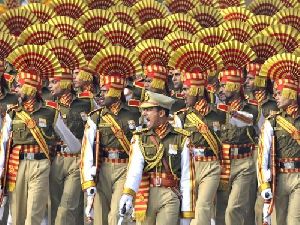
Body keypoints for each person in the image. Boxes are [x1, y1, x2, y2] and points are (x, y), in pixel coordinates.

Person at [0, 45, 81, 225]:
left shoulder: (50, 113)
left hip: (41, 165)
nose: (15, 90)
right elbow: (3, 146)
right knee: (17, 216)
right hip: (17, 165)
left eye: (19, 86)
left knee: (34, 217)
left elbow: (74, 145)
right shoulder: (13, 113)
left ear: (30, 89)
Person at [80, 46, 141, 225]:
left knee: (116, 216)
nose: (102, 94)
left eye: (106, 91)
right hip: (102, 168)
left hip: (124, 167)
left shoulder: (134, 114)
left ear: (115, 91)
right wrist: (88, 181)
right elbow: (87, 150)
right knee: (99, 217)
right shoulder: (96, 116)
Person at [119, 91, 194, 225]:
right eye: (144, 110)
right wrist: (128, 194)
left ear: (161, 113)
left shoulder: (181, 138)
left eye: (149, 110)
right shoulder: (140, 137)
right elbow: (135, 169)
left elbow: (187, 178)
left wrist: (186, 214)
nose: (144, 113)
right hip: (145, 194)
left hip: (170, 194)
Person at [170, 42, 225, 225]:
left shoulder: (219, 114)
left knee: (202, 206)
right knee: (187, 208)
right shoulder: (181, 116)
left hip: (211, 166)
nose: (183, 94)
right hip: (190, 165)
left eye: (187, 90)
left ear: (197, 90)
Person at [45, 39, 92, 225]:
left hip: (76, 160)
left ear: (65, 83)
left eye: (54, 82)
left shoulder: (86, 103)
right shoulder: (49, 106)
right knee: (56, 206)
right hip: (56, 159)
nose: (50, 86)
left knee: (67, 206)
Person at [215, 40, 258, 225]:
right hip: (222, 161)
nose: (221, 89)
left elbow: (248, 119)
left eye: (224, 86)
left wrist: (232, 112)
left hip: (244, 163)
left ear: (233, 86)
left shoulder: (252, 107)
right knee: (221, 210)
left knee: (235, 208)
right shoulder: (216, 108)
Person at [257, 53, 300, 225]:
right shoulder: (272, 121)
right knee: (278, 222)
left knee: (294, 221)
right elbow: (262, 156)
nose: (276, 96)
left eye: (280, 92)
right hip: (278, 178)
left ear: (291, 93)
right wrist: (264, 184)